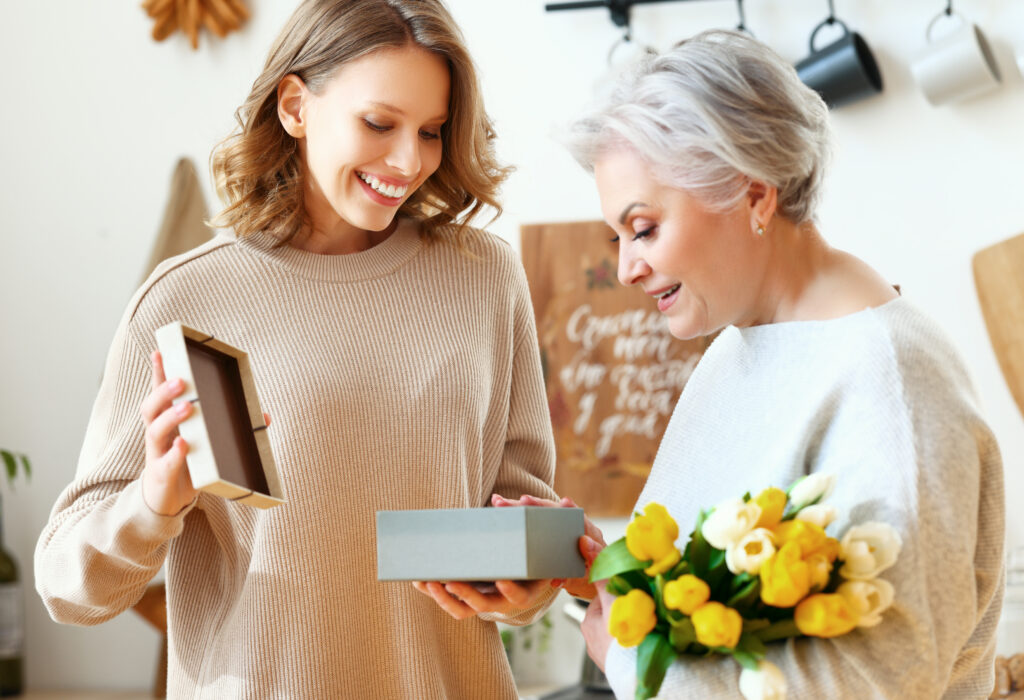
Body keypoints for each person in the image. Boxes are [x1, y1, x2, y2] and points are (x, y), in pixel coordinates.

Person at [34, 1, 560, 697]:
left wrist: (529, 588)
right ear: (294, 105)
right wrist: (154, 504)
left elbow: (524, 521)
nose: (409, 161)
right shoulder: (188, 298)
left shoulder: (485, 277)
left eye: (431, 131)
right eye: (379, 123)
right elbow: (69, 587)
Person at [546, 29, 1003, 698]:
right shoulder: (735, 351)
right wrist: (603, 573)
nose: (626, 267)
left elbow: (880, 678)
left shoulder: (890, 382)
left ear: (754, 195)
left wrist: (624, 655)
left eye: (643, 228)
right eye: (616, 236)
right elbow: (719, 609)